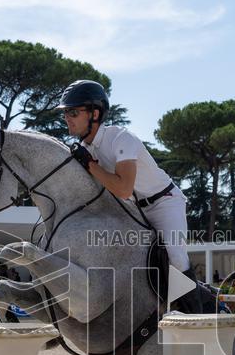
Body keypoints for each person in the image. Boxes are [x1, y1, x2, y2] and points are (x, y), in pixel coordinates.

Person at [58, 79, 201, 313]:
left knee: (175, 257)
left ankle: (199, 318)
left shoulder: (121, 138)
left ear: (94, 113)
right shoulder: (85, 148)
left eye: (73, 112)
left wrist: (90, 166)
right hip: (133, 209)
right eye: (65, 113)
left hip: (164, 203)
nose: (67, 118)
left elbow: (123, 189)